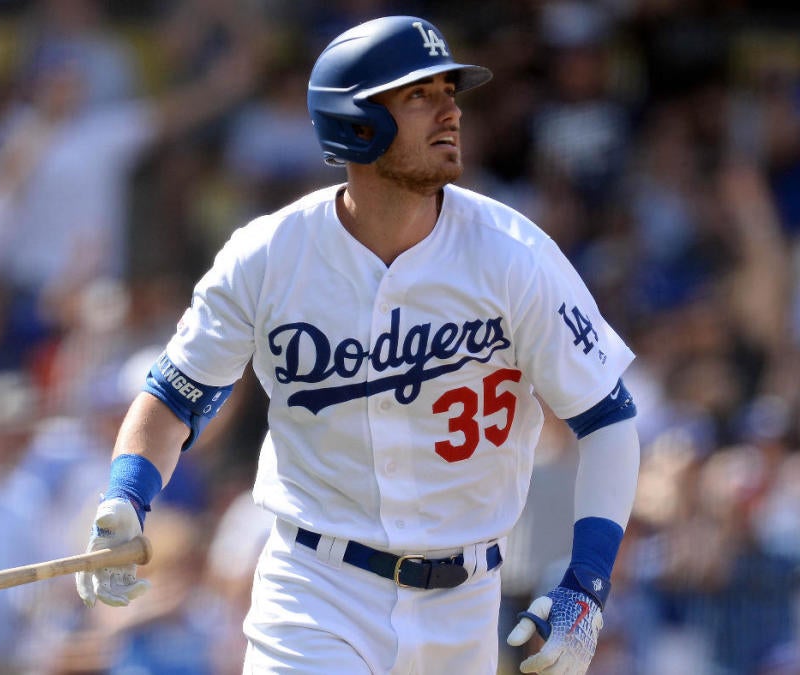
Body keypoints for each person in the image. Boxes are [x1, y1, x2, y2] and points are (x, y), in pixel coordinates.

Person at [75, 16, 641, 675]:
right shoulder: (268, 255)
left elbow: (608, 419)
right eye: (419, 96)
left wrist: (587, 588)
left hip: (465, 604)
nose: (450, 112)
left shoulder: (515, 256)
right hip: (317, 589)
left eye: (449, 93)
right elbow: (175, 396)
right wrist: (124, 497)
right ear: (356, 122)